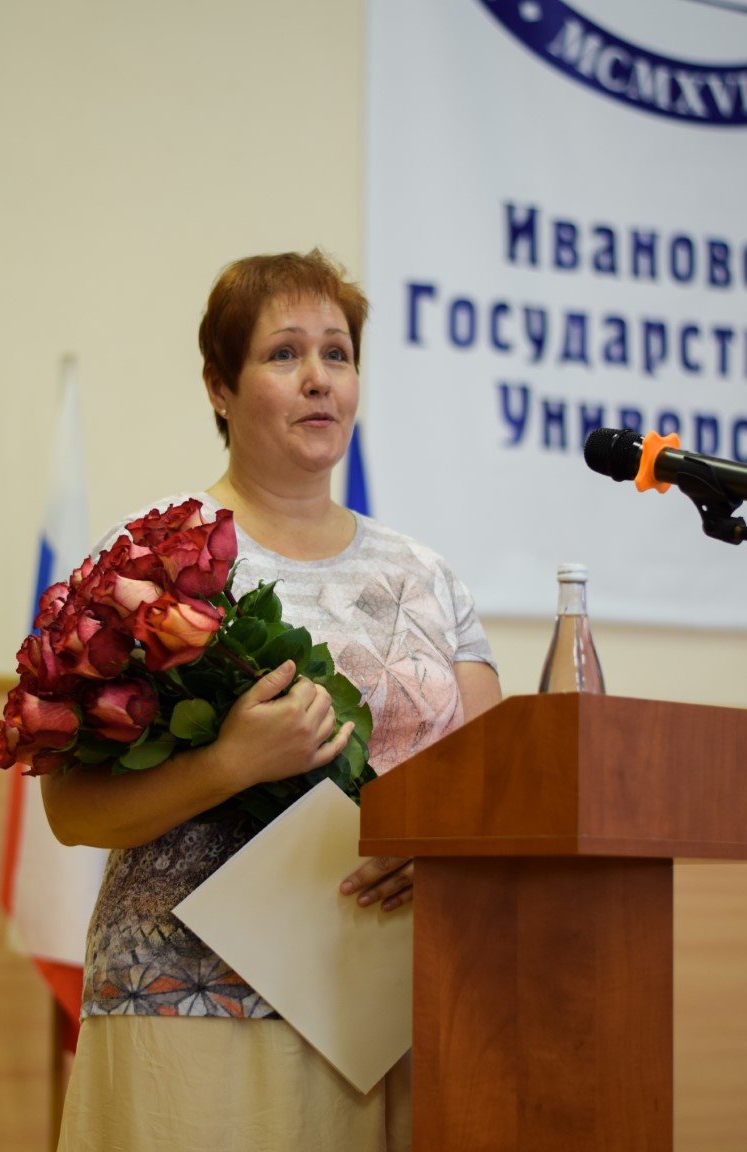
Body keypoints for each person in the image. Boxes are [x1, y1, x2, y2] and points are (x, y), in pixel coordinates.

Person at [43, 249, 502, 1151]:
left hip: (391, 1012)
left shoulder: (426, 576)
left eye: (337, 353)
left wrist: (448, 849)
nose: (318, 378)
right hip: (187, 1010)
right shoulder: (148, 563)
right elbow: (70, 809)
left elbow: (498, 786)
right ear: (219, 387)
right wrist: (228, 765)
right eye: (284, 353)